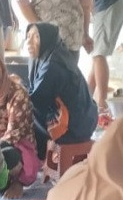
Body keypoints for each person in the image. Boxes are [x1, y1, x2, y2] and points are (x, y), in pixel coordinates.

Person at [26, 22, 98, 159]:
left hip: (76, 125)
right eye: (28, 36)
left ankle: (37, 156)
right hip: (84, 117)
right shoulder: (50, 54)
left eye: (36, 37)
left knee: (26, 112)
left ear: (47, 39)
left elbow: (37, 99)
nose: (29, 42)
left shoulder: (53, 65)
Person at [75, 0, 123, 119]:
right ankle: (86, 101)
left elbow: (85, 2)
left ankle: (102, 105)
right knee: (97, 57)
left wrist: (84, 33)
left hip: (107, 4)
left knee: (98, 55)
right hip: (113, 3)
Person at [0, 51, 39, 199]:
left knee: (7, 154)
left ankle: (18, 182)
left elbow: (12, 135)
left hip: (16, 147)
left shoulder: (17, 94)